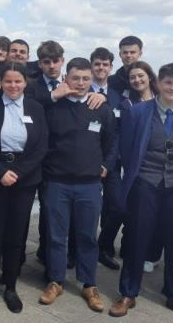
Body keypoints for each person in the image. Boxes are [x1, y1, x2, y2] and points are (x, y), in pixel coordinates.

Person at [110, 63, 173, 323]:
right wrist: (138, 179)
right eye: (168, 82)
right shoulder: (138, 112)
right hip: (146, 185)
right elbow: (128, 151)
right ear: (158, 83)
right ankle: (128, 293)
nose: (172, 88)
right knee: (137, 239)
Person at [38, 58, 115, 313]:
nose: (80, 83)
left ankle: (88, 284)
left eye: (85, 78)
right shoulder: (53, 107)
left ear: (91, 79)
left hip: (89, 185)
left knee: (86, 237)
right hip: (57, 182)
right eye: (75, 78)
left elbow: (111, 142)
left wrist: (106, 164)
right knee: (56, 236)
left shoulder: (101, 108)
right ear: (66, 79)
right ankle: (56, 280)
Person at [0, 61, 48, 313]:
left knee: (16, 236)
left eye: (18, 81)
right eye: (8, 81)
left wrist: (17, 172)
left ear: (25, 83)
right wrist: (0, 171)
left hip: (24, 180)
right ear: (1, 82)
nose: (13, 86)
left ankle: (10, 286)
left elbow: (41, 146)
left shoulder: (36, 108)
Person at [97, 60, 157, 271]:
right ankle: (102, 246)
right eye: (133, 77)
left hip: (150, 165)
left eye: (141, 76)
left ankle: (128, 246)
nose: (137, 80)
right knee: (119, 207)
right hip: (123, 163)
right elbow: (116, 134)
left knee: (139, 210)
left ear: (150, 76)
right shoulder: (125, 102)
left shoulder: (160, 101)